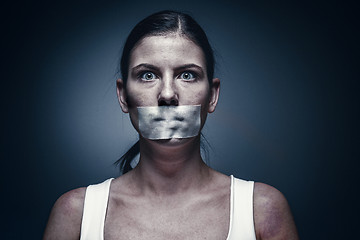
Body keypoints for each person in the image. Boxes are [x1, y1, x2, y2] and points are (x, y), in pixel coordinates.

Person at [43, 10, 299, 240]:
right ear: (123, 95)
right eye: (148, 75)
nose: (167, 94)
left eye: (187, 75)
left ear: (212, 95)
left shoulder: (262, 210)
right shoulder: (76, 214)